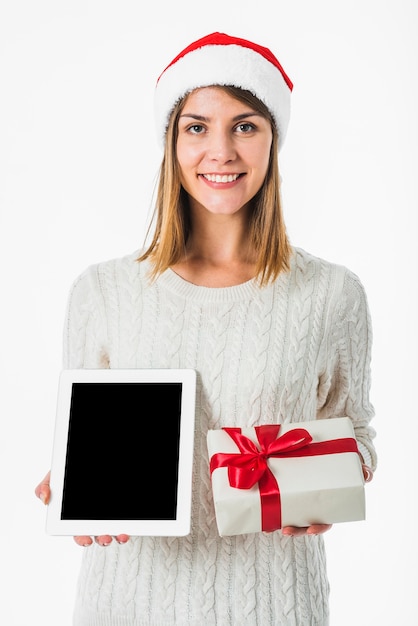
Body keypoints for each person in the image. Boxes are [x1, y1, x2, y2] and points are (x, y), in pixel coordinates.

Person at [35, 31, 377, 626]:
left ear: (274, 140)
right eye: (196, 127)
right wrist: (72, 481)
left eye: (245, 126)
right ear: (171, 142)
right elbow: (86, 433)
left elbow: (360, 432)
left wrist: (338, 479)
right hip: (127, 605)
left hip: (274, 605)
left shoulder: (333, 294)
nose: (220, 151)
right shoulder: (103, 292)